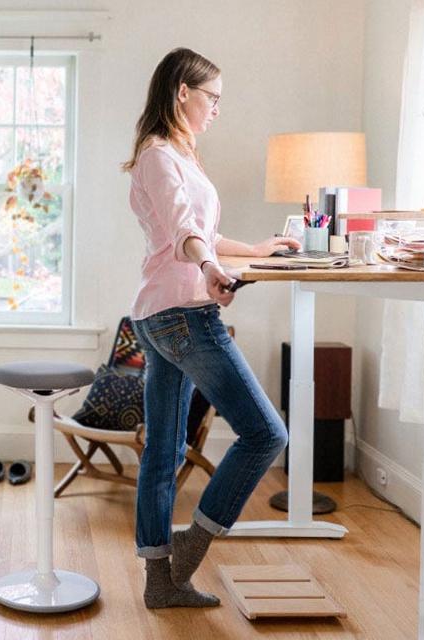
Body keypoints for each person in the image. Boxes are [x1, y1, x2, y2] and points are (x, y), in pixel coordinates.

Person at [122, 47, 298, 609]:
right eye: (212, 98)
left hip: (158, 314)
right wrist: (209, 268)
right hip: (181, 314)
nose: (217, 110)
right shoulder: (159, 156)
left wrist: (254, 249)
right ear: (182, 93)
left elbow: (198, 229)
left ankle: (159, 584)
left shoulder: (177, 153)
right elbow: (183, 231)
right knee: (267, 434)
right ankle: (188, 554)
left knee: (164, 452)